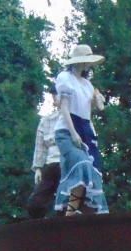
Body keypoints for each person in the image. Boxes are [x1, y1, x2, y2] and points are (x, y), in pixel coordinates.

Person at [54, 44, 109, 215]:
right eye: (86, 60)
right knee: (81, 164)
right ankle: (71, 211)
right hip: (67, 130)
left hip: (86, 131)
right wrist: (73, 133)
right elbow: (64, 108)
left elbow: (97, 108)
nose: (88, 64)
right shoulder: (65, 78)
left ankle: (72, 212)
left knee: (90, 171)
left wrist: (99, 99)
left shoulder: (87, 85)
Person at [28, 85, 63, 218]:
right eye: (53, 96)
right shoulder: (46, 120)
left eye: (57, 95)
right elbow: (40, 146)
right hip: (50, 164)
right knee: (35, 203)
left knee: (65, 202)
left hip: (68, 164)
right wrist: (38, 168)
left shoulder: (74, 118)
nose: (55, 99)